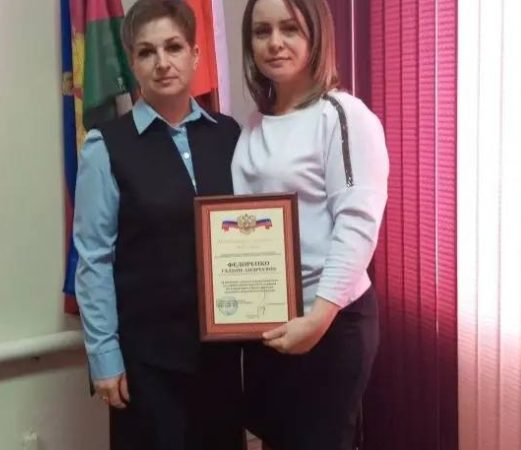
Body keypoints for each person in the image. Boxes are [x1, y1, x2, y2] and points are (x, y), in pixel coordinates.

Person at [73, 1, 243, 449]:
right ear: (132, 63)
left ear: (195, 55)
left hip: (221, 357)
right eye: (147, 52)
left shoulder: (229, 135)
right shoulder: (106, 146)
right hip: (147, 364)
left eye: (174, 47)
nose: (162, 62)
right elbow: (94, 260)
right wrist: (105, 357)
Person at [232, 0, 389, 449]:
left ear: (316, 35)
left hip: (330, 322)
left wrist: (318, 317)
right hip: (271, 318)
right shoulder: (255, 123)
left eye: (290, 29)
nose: (275, 43)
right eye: (262, 31)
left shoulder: (342, 114)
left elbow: (358, 221)